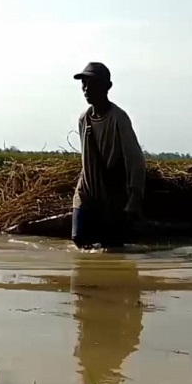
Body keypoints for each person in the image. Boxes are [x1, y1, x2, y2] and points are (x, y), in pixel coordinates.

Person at [71, 62, 146, 249]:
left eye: (92, 84)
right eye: (84, 84)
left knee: (111, 248)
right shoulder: (84, 119)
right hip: (86, 190)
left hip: (111, 194)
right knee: (78, 239)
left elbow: (135, 160)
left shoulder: (118, 119)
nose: (86, 89)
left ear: (106, 87)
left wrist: (134, 198)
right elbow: (86, 159)